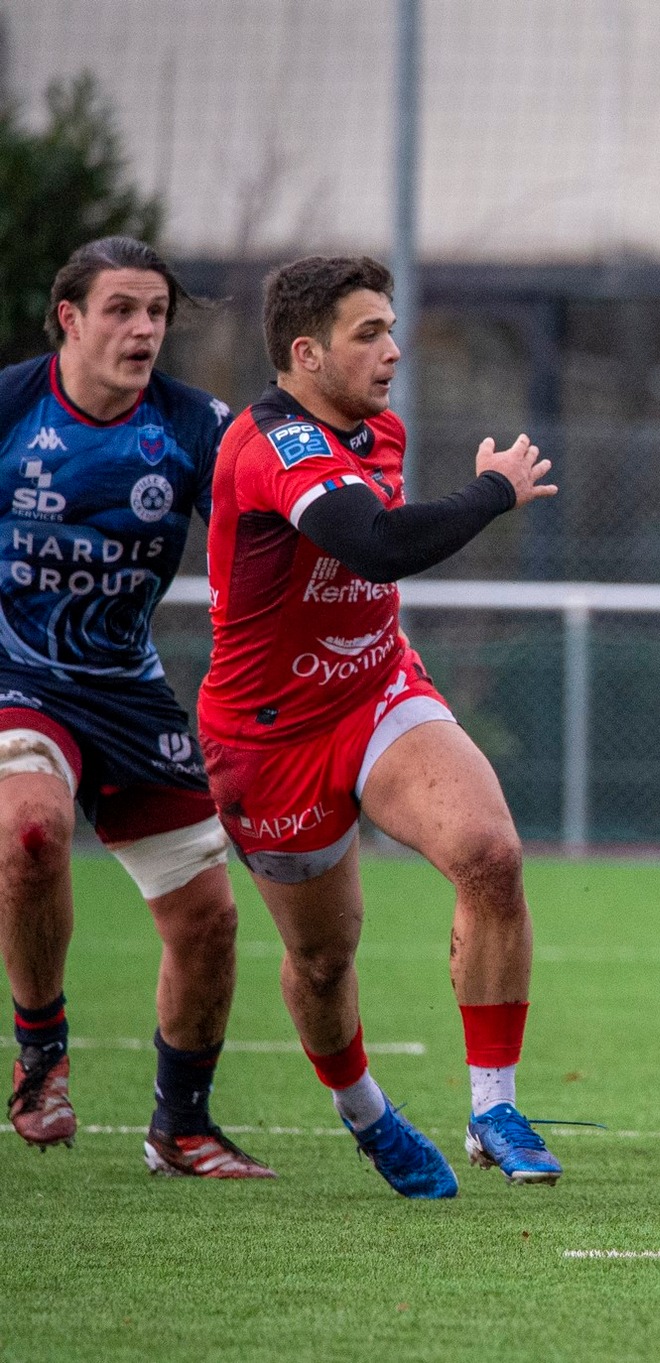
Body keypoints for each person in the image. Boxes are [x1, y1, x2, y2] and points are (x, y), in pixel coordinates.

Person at [199, 256, 558, 1198]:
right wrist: (493, 492)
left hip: (377, 691)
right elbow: (377, 543)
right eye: (370, 334)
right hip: (269, 739)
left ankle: (494, 1110)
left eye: (391, 329)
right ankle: (364, 1109)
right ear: (306, 352)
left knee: (492, 855)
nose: (394, 350)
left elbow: (374, 567)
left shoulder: (379, 428)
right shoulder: (274, 447)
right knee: (322, 959)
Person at [0, 237, 271, 1177]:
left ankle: (182, 1126)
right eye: (121, 309)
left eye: (156, 311)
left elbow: (271, 516)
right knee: (31, 833)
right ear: (69, 317)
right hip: (15, 674)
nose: (144, 328)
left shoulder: (196, 426)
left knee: (208, 921)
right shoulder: (10, 409)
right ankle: (41, 1057)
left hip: (125, 683)